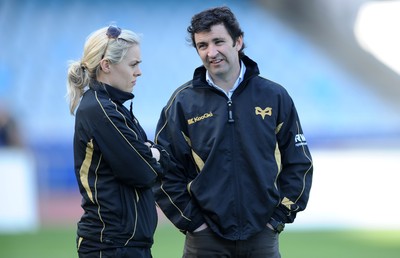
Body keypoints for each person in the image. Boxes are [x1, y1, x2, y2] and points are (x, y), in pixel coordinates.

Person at [153, 6, 313, 258]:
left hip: (262, 236)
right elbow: (164, 171)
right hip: (204, 240)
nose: (211, 52)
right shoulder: (182, 103)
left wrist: (278, 218)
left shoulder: (274, 96)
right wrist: (193, 223)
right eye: (202, 45)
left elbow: (299, 163)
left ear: (238, 41)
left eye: (218, 41)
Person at [66, 25, 170, 258]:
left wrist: (152, 154)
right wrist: (153, 155)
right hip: (111, 246)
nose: (139, 71)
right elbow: (143, 172)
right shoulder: (100, 110)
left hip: (123, 245)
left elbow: (159, 159)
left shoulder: (112, 107)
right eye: (133, 64)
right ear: (106, 65)